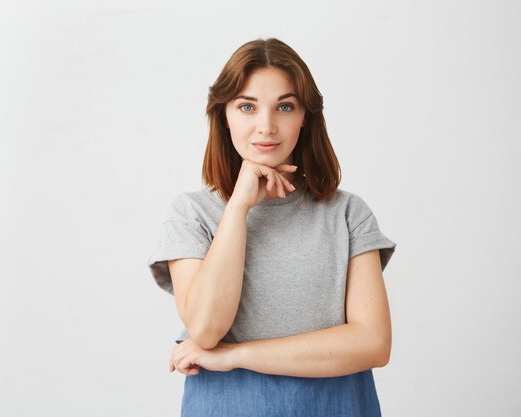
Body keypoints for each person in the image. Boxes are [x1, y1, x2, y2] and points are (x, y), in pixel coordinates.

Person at [147, 37, 397, 417]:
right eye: (247, 106)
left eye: (284, 106)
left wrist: (237, 355)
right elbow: (206, 328)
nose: (266, 126)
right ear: (223, 115)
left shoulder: (346, 213)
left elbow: (373, 344)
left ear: (305, 117)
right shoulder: (191, 213)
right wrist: (238, 208)